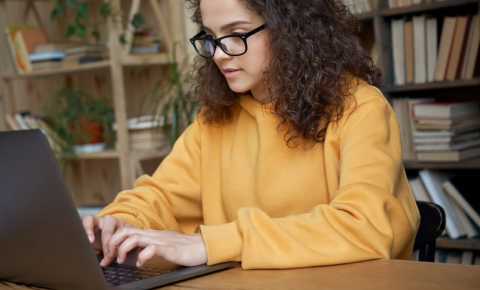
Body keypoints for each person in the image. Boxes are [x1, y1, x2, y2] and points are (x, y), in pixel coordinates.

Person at [83, 0, 420, 270]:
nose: (218, 53)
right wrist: (117, 224)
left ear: (292, 30)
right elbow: (161, 197)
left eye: (236, 34)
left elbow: (365, 228)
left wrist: (210, 244)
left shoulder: (361, 108)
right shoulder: (214, 121)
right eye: (211, 37)